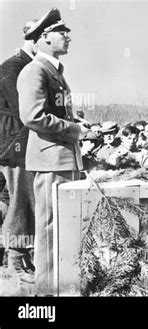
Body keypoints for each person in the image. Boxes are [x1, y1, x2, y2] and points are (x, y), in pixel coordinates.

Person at [18, 8, 90, 295]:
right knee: (49, 229)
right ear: (45, 38)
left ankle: (62, 285)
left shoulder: (53, 71)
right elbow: (32, 116)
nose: (68, 37)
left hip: (61, 159)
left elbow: (51, 112)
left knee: (64, 225)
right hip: (50, 162)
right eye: (63, 32)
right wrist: (75, 131)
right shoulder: (35, 70)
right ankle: (46, 292)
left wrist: (75, 123)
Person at [0, 19, 38, 283]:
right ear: (35, 40)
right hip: (16, 147)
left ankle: (20, 258)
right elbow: (23, 111)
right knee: (19, 202)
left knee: (19, 201)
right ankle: (15, 260)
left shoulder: (25, 66)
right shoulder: (14, 67)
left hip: (21, 146)